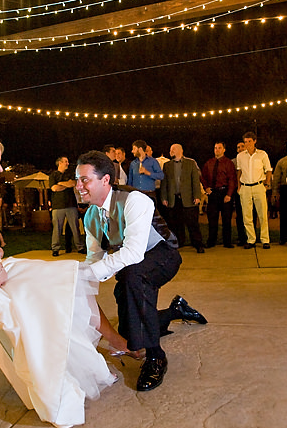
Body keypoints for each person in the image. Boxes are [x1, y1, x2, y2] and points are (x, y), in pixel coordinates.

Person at [0, 132, 120, 428]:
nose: (0, 169)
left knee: (61, 278)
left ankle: (101, 346)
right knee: (46, 293)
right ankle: (63, 377)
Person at [76, 150, 208, 393]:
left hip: (164, 255)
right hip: (134, 266)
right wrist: (81, 278)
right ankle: (176, 310)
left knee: (132, 277)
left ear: (105, 180)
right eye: (77, 179)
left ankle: (156, 357)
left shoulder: (135, 200)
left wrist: (91, 273)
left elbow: (134, 253)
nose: (78, 186)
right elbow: (94, 256)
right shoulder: (91, 216)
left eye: (84, 179)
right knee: (131, 329)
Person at [160, 144, 205, 253]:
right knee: (175, 223)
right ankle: (179, 242)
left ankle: (198, 244)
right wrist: (164, 197)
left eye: (173, 149)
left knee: (192, 223)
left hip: (188, 198)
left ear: (180, 150)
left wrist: (197, 196)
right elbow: (164, 183)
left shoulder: (190, 163)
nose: (170, 151)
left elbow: (195, 180)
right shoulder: (167, 165)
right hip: (173, 199)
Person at [236, 132, 273, 249]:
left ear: (255, 141)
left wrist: (266, 184)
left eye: (249, 141)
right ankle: (251, 239)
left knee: (262, 213)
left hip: (258, 186)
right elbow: (239, 171)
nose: (247, 144)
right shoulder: (240, 156)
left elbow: (268, 170)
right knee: (247, 215)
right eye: (245, 142)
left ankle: (265, 239)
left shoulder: (262, 154)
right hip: (245, 187)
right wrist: (239, 187)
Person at [200, 141, 237, 248]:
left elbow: (232, 179)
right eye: (215, 148)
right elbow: (203, 177)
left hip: (225, 192)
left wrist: (229, 194)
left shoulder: (228, 163)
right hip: (213, 193)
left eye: (219, 148)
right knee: (212, 219)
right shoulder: (209, 163)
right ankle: (211, 241)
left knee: (226, 219)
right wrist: (206, 188)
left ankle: (227, 242)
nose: (217, 150)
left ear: (224, 149)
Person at [49, 156, 85, 256]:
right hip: (57, 206)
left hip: (71, 205)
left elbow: (73, 183)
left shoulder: (70, 174)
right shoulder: (53, 175)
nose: (67, 163)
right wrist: (66, 184)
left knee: (75, 228)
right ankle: (55, 249)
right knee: (57, 229)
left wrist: (61, 184)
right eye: (65, 161)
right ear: (59, 163)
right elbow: (54, 188)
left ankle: (80, 247)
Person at [232, 141, 247, 245]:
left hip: (250, 189)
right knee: (240, 214)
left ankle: (251, 236)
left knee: (251, 214)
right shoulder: (233, 162)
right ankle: (242, 237)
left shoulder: (252, 159)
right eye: (238, 147)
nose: (240, 149)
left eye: (243, 146)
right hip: (238, 191)